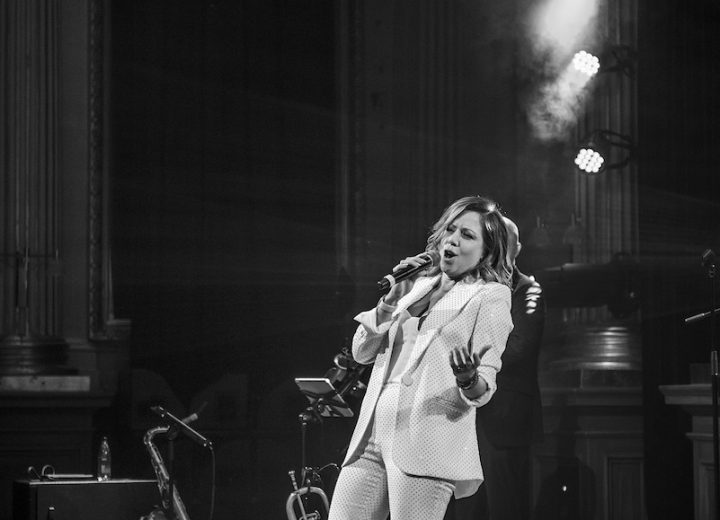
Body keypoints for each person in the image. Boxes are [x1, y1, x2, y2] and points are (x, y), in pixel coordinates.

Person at [327, 196, 514, 520]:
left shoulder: (490, 296)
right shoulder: (416, 286)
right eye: (450, 229)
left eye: (467, 235)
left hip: (426, 440)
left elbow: (484, 388)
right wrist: (389, 302)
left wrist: (467, 378)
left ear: (486, 252)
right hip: (371, 433)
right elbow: (361, 352)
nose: (453, 239)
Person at [446, 216, 545, 520]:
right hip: (465, 417)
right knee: (467, 509)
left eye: (506, 241)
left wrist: (475, 362)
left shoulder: (528, 289)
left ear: (517, 248)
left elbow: (519, 346)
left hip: (504, 418)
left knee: (505, 505)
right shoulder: (469, 287)